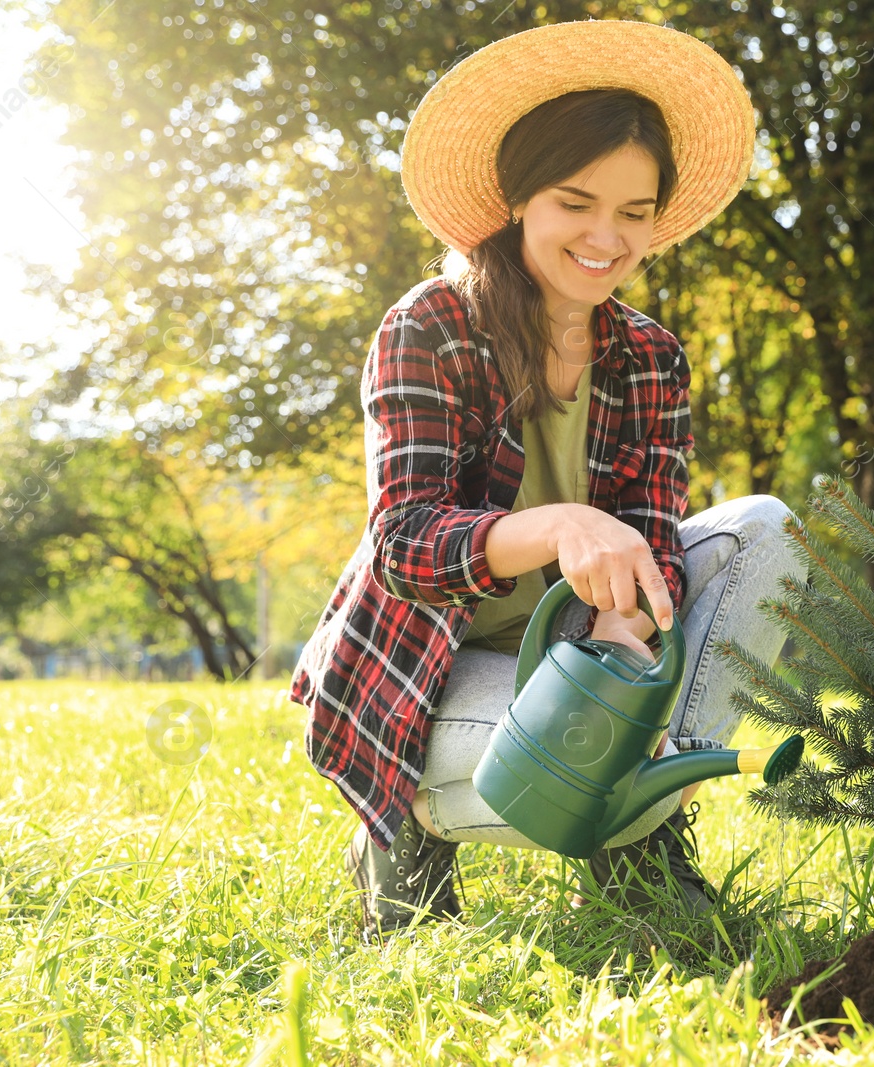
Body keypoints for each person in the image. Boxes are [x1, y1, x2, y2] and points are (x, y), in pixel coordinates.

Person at [286, 19, 803, 941]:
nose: (608, 236)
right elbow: (404, 545)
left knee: (767, 525)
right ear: (520, 199)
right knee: (592, 769)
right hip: (429, 669)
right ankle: (408, 821)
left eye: (635, 213)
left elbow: (656, 531)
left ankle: (638, 842)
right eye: (576, 201)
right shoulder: (431, 327)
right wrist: (565, 524)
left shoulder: (649, 356)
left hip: (569, 652)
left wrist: (628, 616)